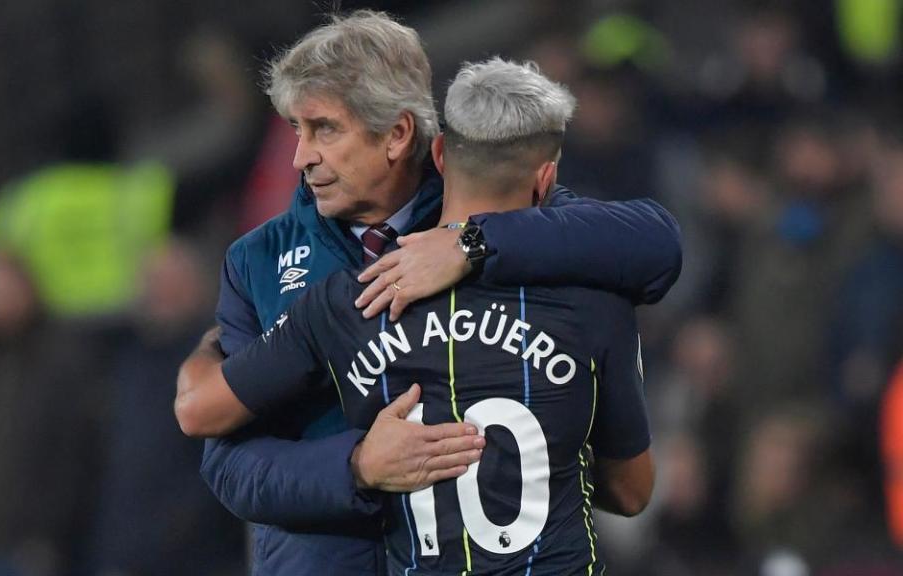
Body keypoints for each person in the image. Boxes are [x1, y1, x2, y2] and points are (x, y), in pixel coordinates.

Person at [178, 10, 680, 576]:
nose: (301, 157)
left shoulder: (491, 198)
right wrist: (357, 466)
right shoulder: (258, 261)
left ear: (398, 135)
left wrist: (472, 243)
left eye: (324, 129)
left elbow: (654, 241)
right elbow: (228, 468)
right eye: (296, 129)